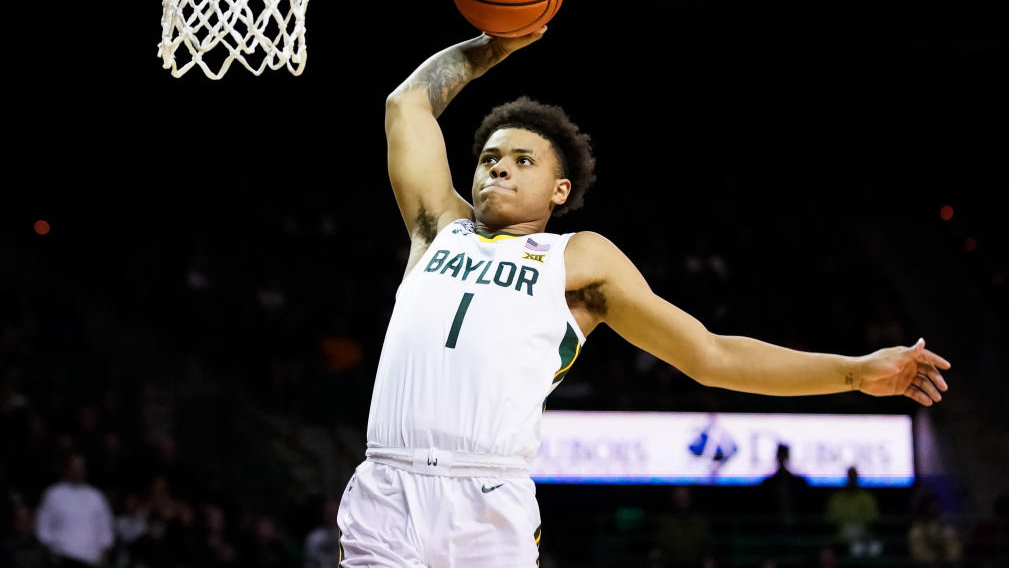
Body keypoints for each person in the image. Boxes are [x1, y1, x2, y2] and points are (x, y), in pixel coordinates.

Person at [336, 29, 953, 566]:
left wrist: (851, 374)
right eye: (490, 158)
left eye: (522, 160)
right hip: (388, 485)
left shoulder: (578, 258)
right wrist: (492, 46)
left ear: (559, 189)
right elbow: (407, 103)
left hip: (489, 500)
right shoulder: (437, 226)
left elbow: (711, 355)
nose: (498, 168)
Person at [33, 453, 114, 567]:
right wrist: (52, 551)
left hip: (91, 559)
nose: (77, 471)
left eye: (80, 467)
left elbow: (105, 528)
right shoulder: (53, 493)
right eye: (74, 467)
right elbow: (43, 526)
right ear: (67, 469)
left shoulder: (95, 496)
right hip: (62, 557)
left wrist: (102, 555)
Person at [825, 466, 881, 557]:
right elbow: (830, 518)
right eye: (850, 476)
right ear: (847, 477)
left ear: (857, 478)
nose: (852, 479)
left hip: (862, 536)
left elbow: (873, 518)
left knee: (873, 548)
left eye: (854, 476)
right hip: (841, 538)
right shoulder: (837, 498)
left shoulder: (867, 497)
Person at [757, 443, 813, 532]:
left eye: (784, 455)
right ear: (777, 456)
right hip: (772, 529)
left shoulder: (799, 483)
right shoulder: (767, 484)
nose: (782, 458)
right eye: (780, 455)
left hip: (797, 528)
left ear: (788, 456)